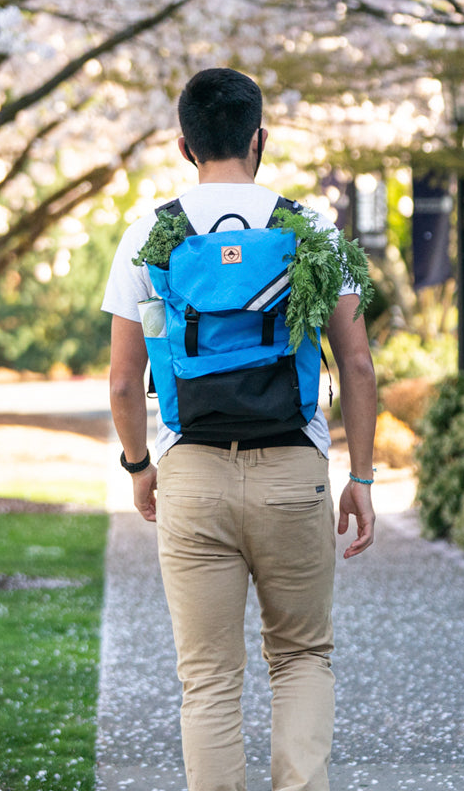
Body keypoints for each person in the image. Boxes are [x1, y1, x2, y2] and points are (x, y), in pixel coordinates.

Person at [102, 67, 377, 791]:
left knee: (210, 681)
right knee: (302, 658)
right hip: (292, 468)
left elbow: (125, 380)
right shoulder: (311, 228)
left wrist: (139, 468)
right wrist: (363, 477)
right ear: (260, 138)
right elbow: (358, 364)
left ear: (184, 145)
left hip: (191, 475)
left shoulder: (150, 233)